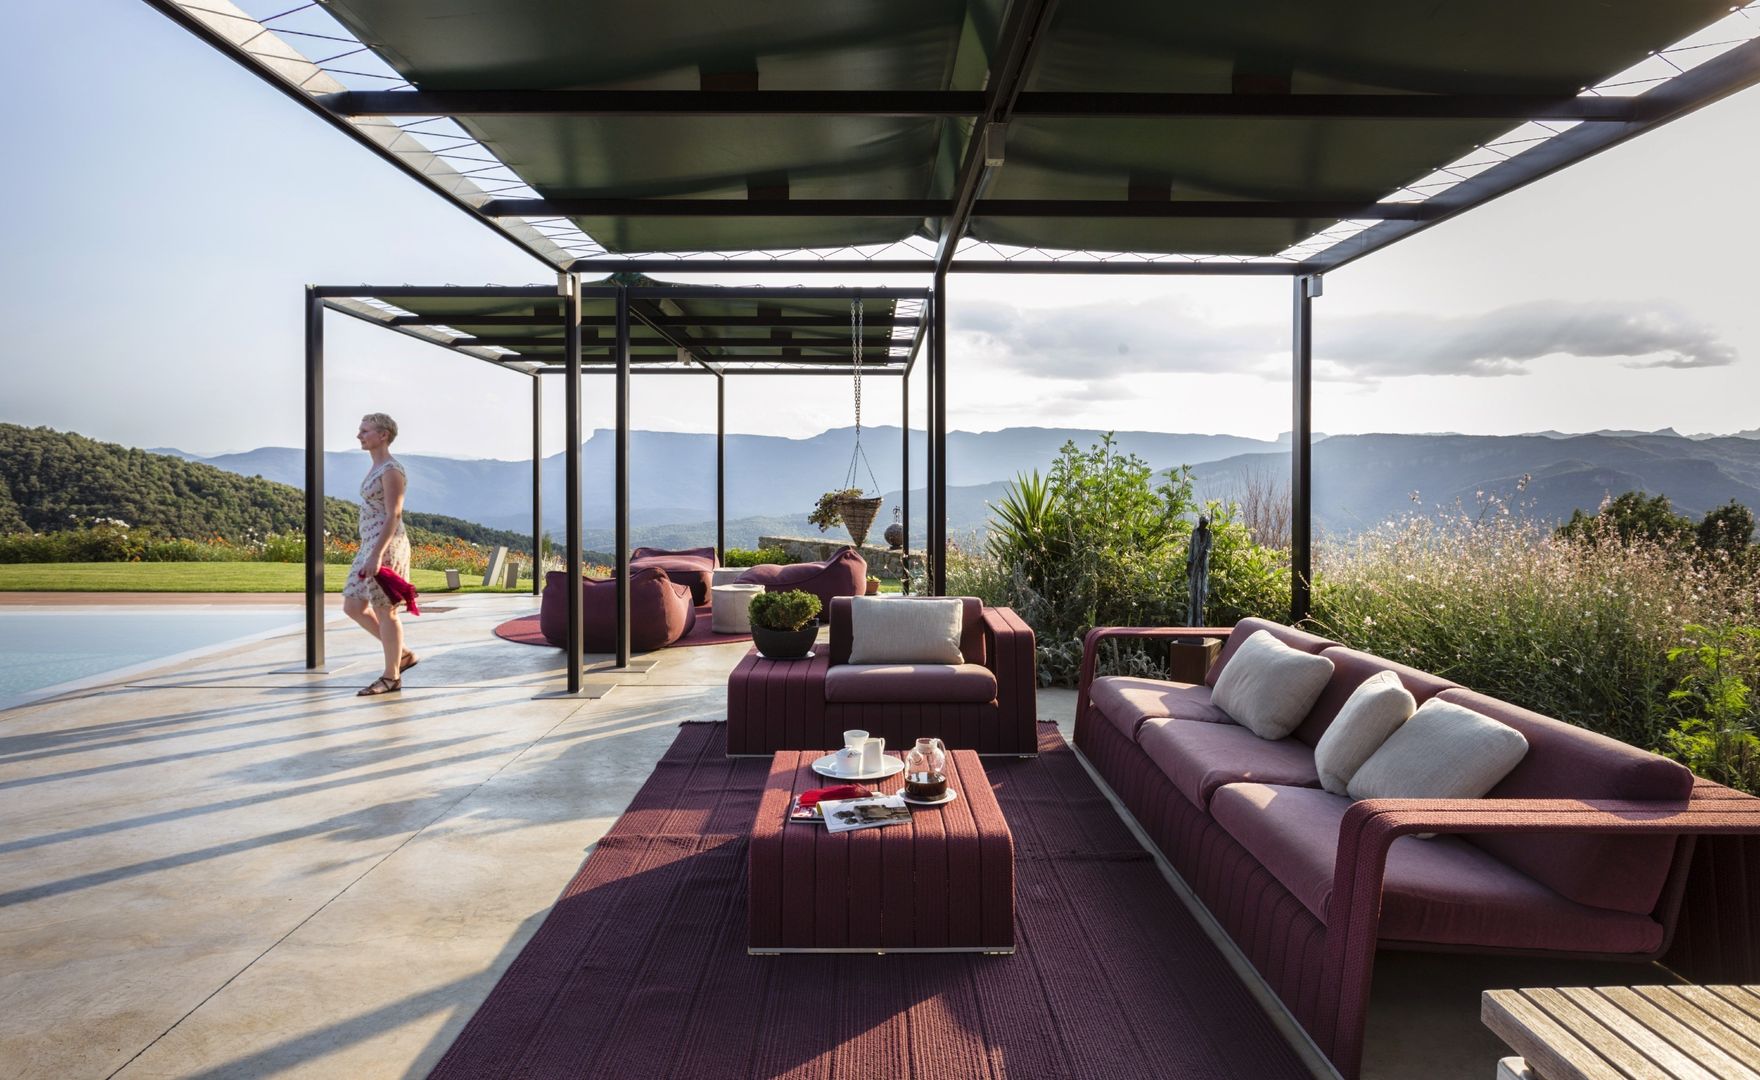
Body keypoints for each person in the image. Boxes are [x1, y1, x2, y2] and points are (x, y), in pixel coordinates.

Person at [343, 412, 416, 696]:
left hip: (385, 547)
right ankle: (404, 654)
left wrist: (376, 555)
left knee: (386, 611)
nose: (359, 435)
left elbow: (393, 514)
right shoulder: (377, 467)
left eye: (365, 430)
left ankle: (391, 676)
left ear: (382, 435)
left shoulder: (391, 470)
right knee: (353, 606)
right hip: (369, 546)